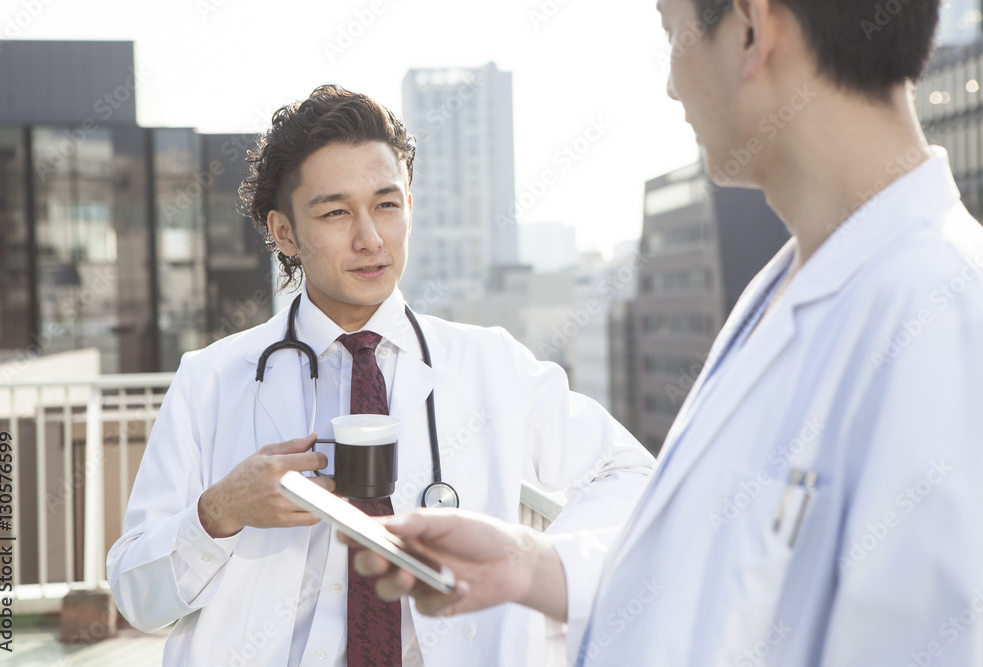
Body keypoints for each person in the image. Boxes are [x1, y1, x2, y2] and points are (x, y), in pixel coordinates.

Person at [352, 0, 983, 665]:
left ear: (749, 27)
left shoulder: (943, 321)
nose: (671, 83)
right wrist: (535, 566)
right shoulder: (795, 282)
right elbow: (730, 570)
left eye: (669, 32)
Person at [106, 84, 654, 666]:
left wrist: (529, 564)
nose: (370, 238)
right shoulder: (211, 380)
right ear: (285, 232)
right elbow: (138, 599)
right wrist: (220, 511)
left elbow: (631, 473)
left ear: (410, 207)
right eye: (336, 211)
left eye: (386, 205)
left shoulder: (489, 364)